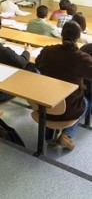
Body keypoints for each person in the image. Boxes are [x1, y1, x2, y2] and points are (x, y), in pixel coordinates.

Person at [35, 21, 92, 150]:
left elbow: (37, 64)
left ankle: (49, 132)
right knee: (86, 102)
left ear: (61, 33)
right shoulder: (82, 58)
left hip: (44, 105)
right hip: (68, 110)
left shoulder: (47, 51)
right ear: (78, 37)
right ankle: (66, 134)